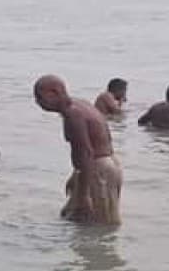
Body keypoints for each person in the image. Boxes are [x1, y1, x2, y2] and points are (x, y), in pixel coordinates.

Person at [34, 76, 123, 226]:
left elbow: (86, 152)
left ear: (54, 92)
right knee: (70, 216)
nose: (37, 102)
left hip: (99, 168)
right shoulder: (80, 104)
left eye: (39, 97)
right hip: (104, 163)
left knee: (101, 225)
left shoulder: (72, 114)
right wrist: (76, 176)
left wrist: (82, 194)